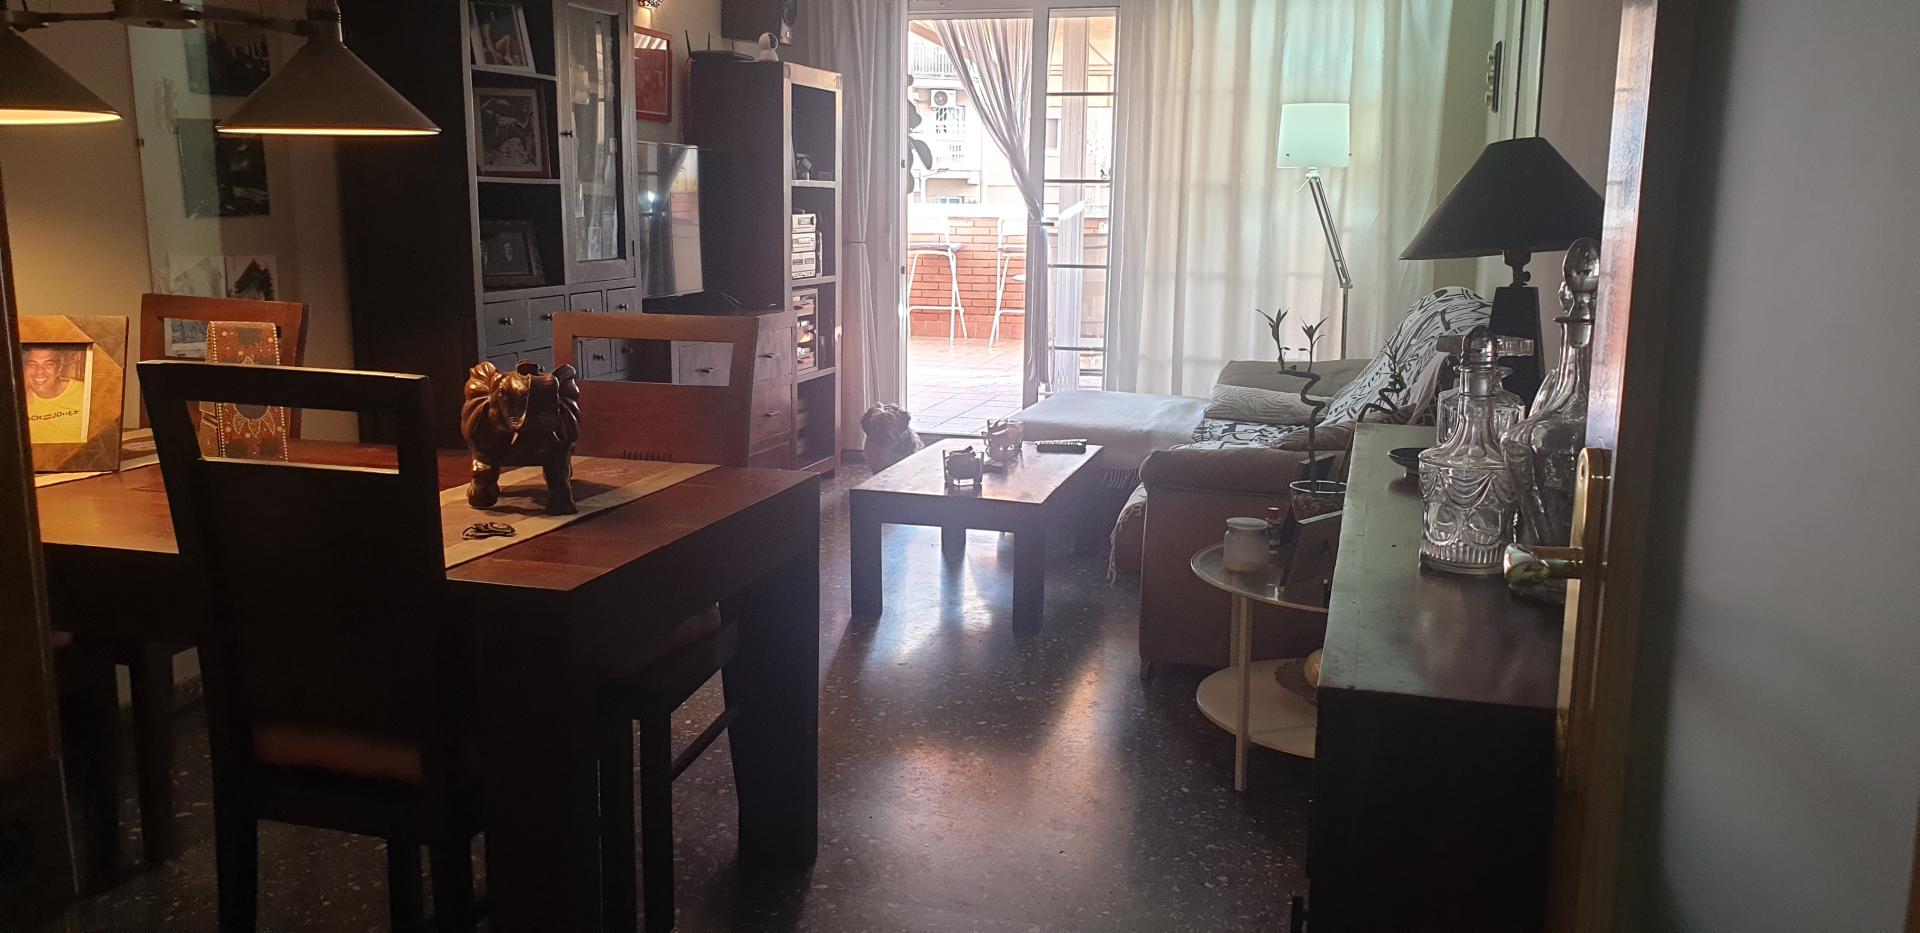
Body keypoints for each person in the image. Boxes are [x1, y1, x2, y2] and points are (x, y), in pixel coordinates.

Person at [23, 346, 87, 445]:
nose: (39, 372)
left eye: (48, 365)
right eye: (32, 365)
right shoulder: (17, 399)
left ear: (59, 369)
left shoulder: (83, 392)